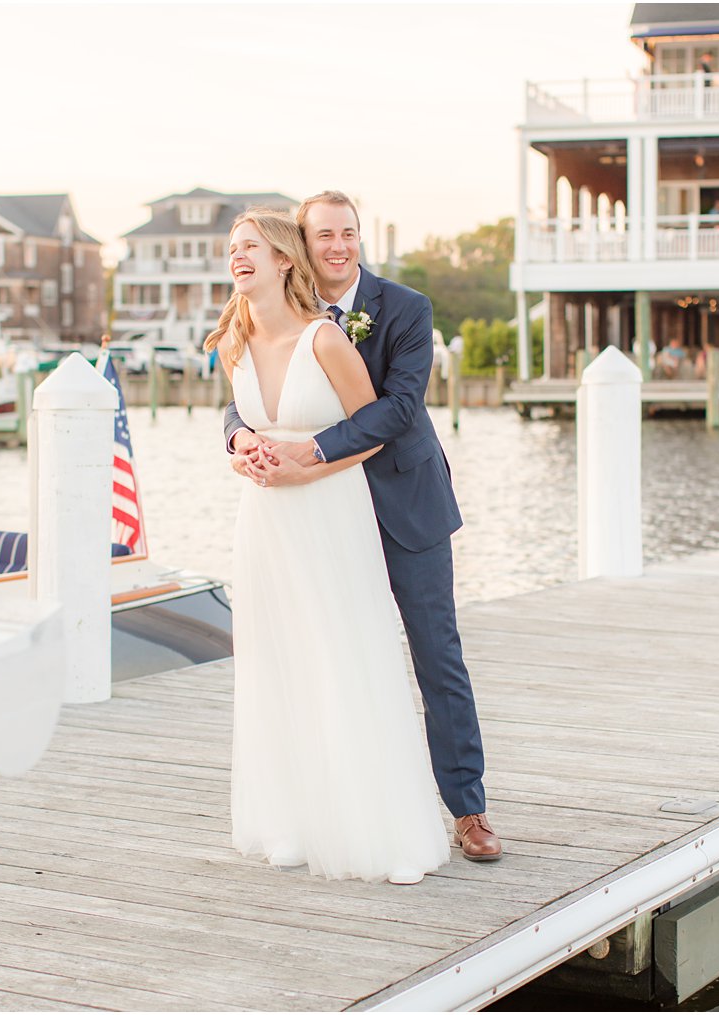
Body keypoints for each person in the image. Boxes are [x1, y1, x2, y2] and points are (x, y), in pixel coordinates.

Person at [222, 191, 502, 867]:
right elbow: (231, 404)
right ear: (302, 244)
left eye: (349, 233)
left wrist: (310, 454)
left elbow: (401, 408)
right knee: (326, 656)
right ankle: (329, 810)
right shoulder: (270, 313)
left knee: (435, 653)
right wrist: (239, 443)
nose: (339, 246)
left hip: (403, 500)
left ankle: (468, 810)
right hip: (314, 516)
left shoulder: (404, 308)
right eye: (325, 235)